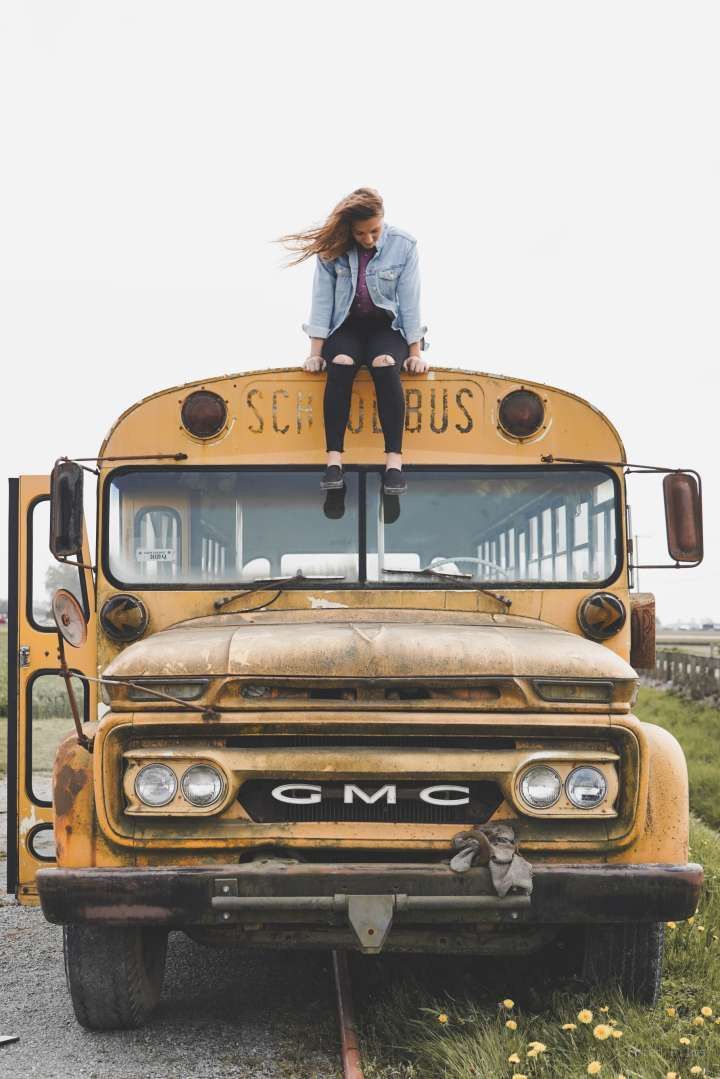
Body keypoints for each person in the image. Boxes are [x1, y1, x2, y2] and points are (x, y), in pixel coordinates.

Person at [277, 187, 429, 494]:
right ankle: (334, 460)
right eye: (361, 233)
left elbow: (410, 301)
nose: (369, 239)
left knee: (385, 364)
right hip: (346, 328)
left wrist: (415, 352)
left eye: (374, 230)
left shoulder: (404, 245)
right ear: (349, 229)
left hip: (387, 329)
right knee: (341, 363)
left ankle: (394, 463)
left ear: (383, 220)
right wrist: (314, 353)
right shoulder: (332, 249)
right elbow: (322, 300)